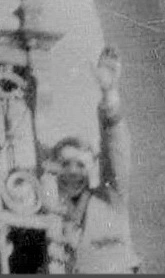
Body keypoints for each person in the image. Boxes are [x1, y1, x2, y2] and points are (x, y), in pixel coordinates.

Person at [49, 47, 140, 274]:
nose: (72, 172)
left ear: (90, 168)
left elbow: (116, 150)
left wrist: (109, 94)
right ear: (53, 169)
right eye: (65, 164)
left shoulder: (110, 200)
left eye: (80, 165)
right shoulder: (47, 213)